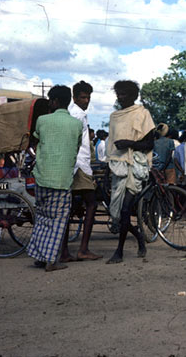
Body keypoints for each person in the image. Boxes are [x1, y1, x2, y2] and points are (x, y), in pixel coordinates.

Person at [26, 85, 83, 272]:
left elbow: (35, 140)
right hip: (62, 178)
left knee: (42, 217)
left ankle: (41, 256)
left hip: (42, 176)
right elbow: (77, 147)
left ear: (55, 101)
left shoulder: (42, 120)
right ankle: (51, 260)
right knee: (58, 220)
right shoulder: (76, 124)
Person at [106, 80, 155, 264]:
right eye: (118, 94)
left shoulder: (142, 114)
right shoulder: (114, 117)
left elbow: (149, 144)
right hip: (117, 167)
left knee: (126, 209)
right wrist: (106, 169)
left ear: (133, 95)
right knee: (117, 214)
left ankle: (119, 251)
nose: (120, 97)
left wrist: (130, 144)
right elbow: (111, 146)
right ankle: (139, 237)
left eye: (124, 94)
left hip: (135, 166)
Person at [61, 80, 102, 262]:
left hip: (78, 164)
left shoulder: (78, 113)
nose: (86, 101)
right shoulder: (77, 115)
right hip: (79, 166)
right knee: (91, 204)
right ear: (75, 97)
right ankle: (82, 249)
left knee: (70, 208)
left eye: (88, 97)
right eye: (83, 97)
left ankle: (65, 251)